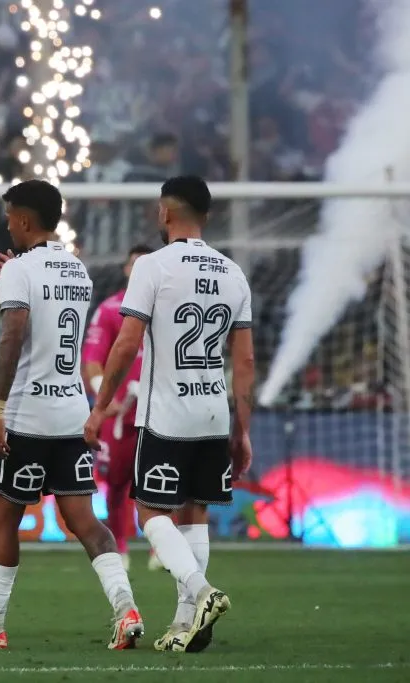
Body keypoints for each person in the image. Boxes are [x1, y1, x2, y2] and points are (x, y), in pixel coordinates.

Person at [0, 180, 143, 651]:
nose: (7, 223)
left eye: (10, 216)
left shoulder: (20, 271)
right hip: (71, 412)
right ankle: (126, 609)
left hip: (26, 415)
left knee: (3, 516)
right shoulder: (78, 270)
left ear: (25, 220)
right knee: (84, 520)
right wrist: (17, 274)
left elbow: (12, 340)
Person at [83, 176, 255, 654]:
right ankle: (187, 625)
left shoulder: (153, 267)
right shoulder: (233, 273)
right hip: (213, 413)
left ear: (164, 213)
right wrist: (242, 431)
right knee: (194, 514)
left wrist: (99, 409)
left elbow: (127, 343)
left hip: (166, 415)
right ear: (208, 216)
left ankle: (202, 593)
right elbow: (244, 362)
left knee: (150, 512)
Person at [80, 244, 158, 573]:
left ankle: (161, 549)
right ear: (126, 270)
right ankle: (121, 547)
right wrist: (103, 398)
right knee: (116, 483)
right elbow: (92, 361)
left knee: (162, 482)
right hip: (121, 416)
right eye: (133, 265)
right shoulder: (111, 310)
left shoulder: (169, 310)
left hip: (160, 411)